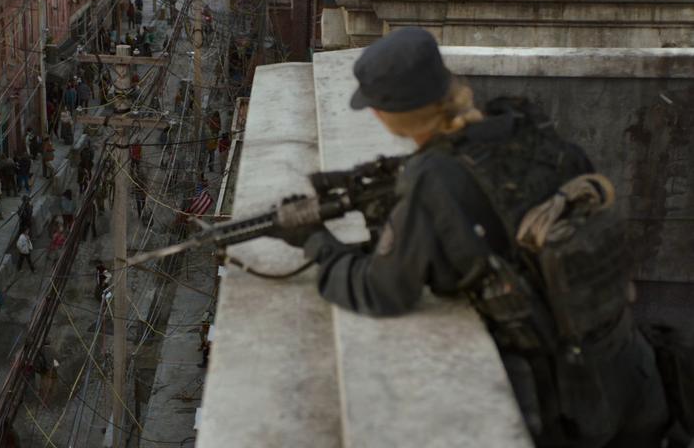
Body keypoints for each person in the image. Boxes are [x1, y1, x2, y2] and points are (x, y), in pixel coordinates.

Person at [280, 27, 669, 448]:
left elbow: (384, 290)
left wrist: (317, 243)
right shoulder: (522, 123)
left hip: (569, 401)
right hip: (632, 369)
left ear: (386, 115)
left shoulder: (433, 179)